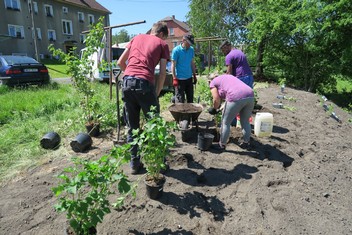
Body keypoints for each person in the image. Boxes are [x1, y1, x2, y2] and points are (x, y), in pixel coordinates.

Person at [117, 22, 170, 174]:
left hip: (126, 83)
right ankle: (160, 162)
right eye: (165, 37)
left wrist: (130, 75)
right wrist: (157, 91)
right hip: (145, 84)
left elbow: (120, 62)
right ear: (162, 34)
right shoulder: (162, 44)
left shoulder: (136, 37)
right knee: (155, 125)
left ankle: (134, 164)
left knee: (132, 127)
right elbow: (162, 73)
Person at [207, 74, 255, 150]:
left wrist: (214, 109)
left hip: (235, 96)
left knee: (225, 122)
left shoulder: (213, 82)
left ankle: (221, 145)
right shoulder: (227, 77)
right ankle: (246, 143)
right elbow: (229, 94)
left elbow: (216, 99)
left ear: (209, 81)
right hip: (250, 95)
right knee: (245, 121)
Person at [171, 34, 197, 103]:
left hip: (189, 79)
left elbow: (192, 63)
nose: (190, 45)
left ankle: (190, 114)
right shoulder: (176, 50)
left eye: (191, 44)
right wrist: (174, 78)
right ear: (183, 40)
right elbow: (173, 65)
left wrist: (194, 75)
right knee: (180, 101)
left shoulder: (191, 50)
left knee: (190, 100)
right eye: (188, 43)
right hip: (180, 80)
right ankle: (180, 113)